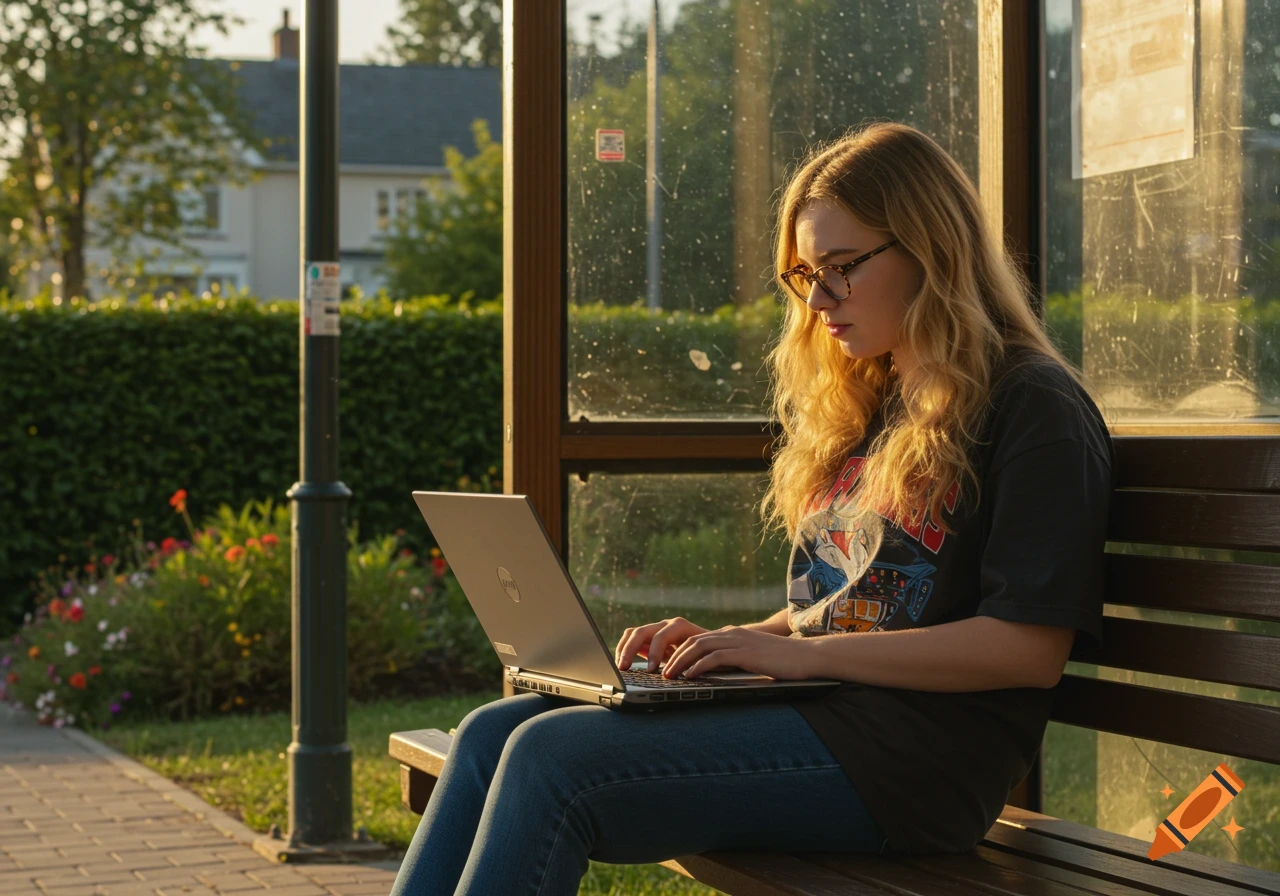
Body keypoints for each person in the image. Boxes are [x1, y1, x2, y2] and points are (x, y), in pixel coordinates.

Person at [387, 120, 1114, 896]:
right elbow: (844, 613)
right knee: (494, 730)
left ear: (932, 251)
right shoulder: (878, 397)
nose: (820, 299)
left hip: (915, 766)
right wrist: (735, 643)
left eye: (842, 266)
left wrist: (798, 656)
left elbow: (1027, 649)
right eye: (807, 274)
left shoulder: (1031, 405)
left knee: (549, 761)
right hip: (827, 719)